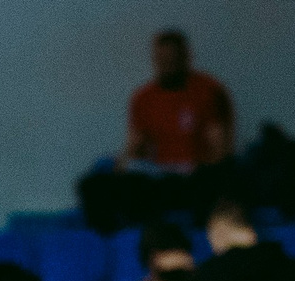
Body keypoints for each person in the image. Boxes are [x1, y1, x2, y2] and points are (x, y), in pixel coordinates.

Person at [78, 29, 236, 232]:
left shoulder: (208, 90)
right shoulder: (144, 98)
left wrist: (207, 168)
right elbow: (134, 148)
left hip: (195, 176)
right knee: (95, 185)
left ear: (185, 58)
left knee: (216, 181)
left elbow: (220, 147)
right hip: (160, 177)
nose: (167, 67)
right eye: (162, 61)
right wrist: (121, 168)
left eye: (172, 60)